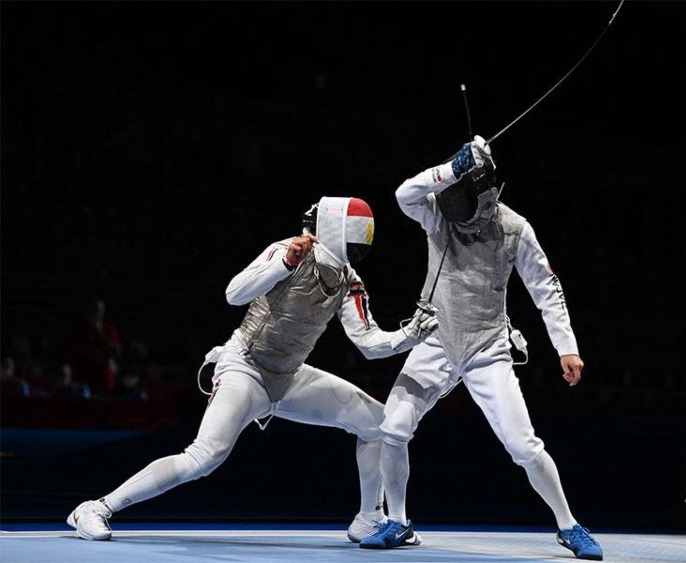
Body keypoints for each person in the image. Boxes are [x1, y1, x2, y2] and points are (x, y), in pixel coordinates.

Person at [66, 196, 438, 543]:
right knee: (204, 457)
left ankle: (368, 519)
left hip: (290, 377)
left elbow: (369, 344)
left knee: (377, 424)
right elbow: (234, 293)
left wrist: (410, 335)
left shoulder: (348, 280)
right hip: (245, 368)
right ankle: (95, 508)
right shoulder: (287, 251)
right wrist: (284, 264)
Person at [359, 136, 604, 561]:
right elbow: (404, 194)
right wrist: (450, 170)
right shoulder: (439, 216)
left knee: (523, 446)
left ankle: (569, 525)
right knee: (393, 429)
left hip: (486, 346)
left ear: (489, 201)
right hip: (435, 337)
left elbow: (546, 288)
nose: (463, 223)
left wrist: (566, 346)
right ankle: (398, 521)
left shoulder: (515, 229)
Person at [69, 296, 122, 395]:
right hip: (83, 380)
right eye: (93, 310)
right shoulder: (79, 331)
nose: (96, 314)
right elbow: (78, 351)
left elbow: (116, 352)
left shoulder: (109, 330)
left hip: (104, 381)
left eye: (99, 310)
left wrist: (99, 334)